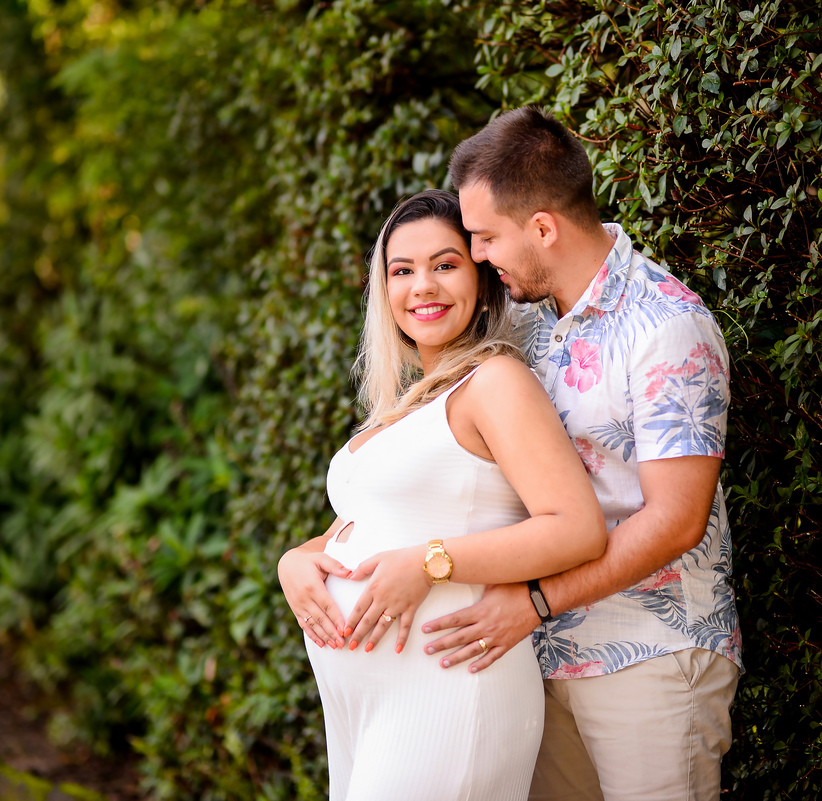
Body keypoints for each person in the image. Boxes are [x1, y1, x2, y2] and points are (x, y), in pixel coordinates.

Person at [416, 107, 743, 801]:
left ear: (542, 227)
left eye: (484, 236)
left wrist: (535, 600)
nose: (476, 256)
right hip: (540, 661)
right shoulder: (523, 327)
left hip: (652, 655)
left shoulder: (666, 325)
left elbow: (677, 519)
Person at [277, 189, 607, 801]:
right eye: (402, 271)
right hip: (367, 710)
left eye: (445, 264)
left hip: (451, 697)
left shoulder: (495, 382)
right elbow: (370, 521)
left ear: (482, 279)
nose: (422, 285)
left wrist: (431, 564)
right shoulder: (407, 405)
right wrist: (296, 559)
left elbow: (576, 527)